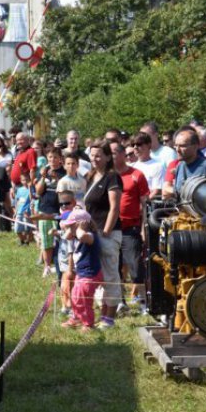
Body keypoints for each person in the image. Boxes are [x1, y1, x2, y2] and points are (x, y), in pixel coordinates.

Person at [82, 140, 122, 329]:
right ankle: (102, 314)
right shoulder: (90, 176)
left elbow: (114, 207)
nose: (95, 159)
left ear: (107, 157)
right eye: (92, 155)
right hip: (92, 234)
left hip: (108, 233)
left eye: (99, 155)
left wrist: (105, 230)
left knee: (110, 275)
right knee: (97, 275)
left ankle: (109, 318)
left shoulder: (112, 177)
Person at [111, 140, 150, 315]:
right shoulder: (107, 176)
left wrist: (143, 228)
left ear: (121, 154)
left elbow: (145, 204)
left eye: (112, 153)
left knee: (135, 266)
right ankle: (120, 301)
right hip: (111, 228)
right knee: (115, 267)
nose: (110, 156)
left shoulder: (137, 175)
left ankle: (143, 301)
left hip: (131, 228)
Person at [60, 208, 102, 331]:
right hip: (82, 273)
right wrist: (70, 227)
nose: (71, 229)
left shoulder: (90, 236)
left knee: (84, 300)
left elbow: (82, 236)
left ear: (81, 224)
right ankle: (77, 318)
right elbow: (67, 236)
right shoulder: (76, 235)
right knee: (75, 296)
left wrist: (79, 227)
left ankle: (88, 324)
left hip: (90, 274)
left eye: (73, 225)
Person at [32, 148, 65, 276]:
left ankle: (60, 264)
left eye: (55, 157)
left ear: (60, 158)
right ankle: (46, 266)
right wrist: (44, 177)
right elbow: (38, 191)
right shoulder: (43, 171)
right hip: (44, 210)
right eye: (50, 157)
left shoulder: (64, 172)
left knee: (59, 239)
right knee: (46, 240)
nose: (52, 160)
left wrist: (57, 179)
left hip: (59, 211)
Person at [55, 190, 77, 316]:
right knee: (63, 282)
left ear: (73, 202)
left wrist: (70, 267)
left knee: (71, 282)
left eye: (66, 203)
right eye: (61, 204)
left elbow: (71, 246)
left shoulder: (74, 216)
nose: (63, 206)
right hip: (62, 256)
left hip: (71, 258)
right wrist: (57, 233)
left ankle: (72, 307)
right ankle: (65, 306)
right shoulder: (63, 215)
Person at [131, 132, 164, 197]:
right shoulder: (131, 166)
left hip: (148, 204)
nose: (135, 147)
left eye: (139, 144)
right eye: (133, 144)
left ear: (149, 145)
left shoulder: (157, 166)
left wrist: (143, 204)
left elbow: (157, 191)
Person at [14, 171, 33, 245]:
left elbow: (32, 199)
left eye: (26, 180)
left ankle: (27, 242)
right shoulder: (19, 190)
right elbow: (18, 201)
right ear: (21, 181)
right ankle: (22, 240)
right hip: (19, 212)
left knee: (27, 228)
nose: (25, 182)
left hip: (27, 212)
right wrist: (16, 211)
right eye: (23, 180)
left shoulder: (31, 189)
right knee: (17, 229)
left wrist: (30, 188)